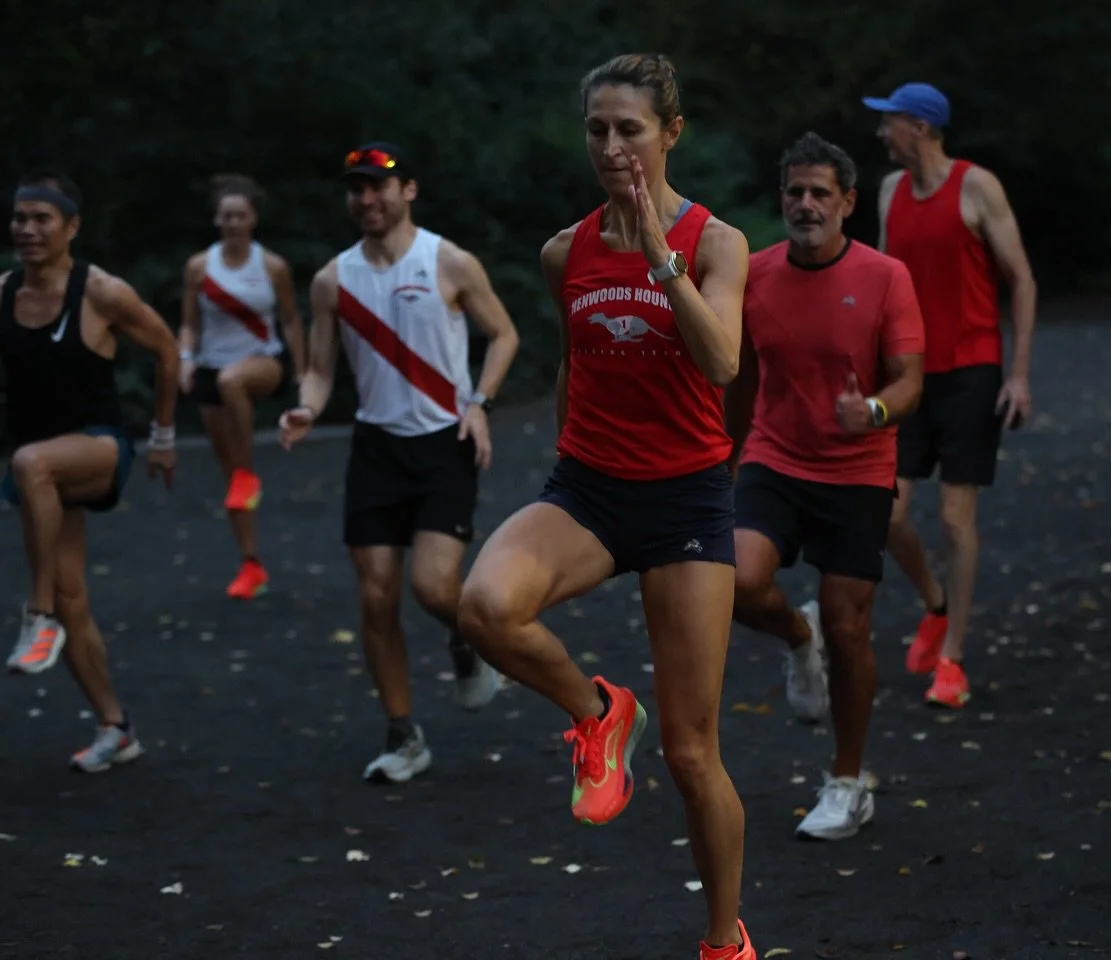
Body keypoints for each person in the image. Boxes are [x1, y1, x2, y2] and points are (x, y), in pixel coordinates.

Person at [455, 54, 757, 960]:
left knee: (692, 752)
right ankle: (595, 712)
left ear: (671, 133)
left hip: (687, 502)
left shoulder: (716, 244)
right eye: (597, 130)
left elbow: (723, 362)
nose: (612, 145)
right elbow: (573, 362)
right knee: (483, 607)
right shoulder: (564, 252)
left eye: (630, 128)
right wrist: (562, 456)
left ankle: (723, 939)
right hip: (588, 484)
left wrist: (660, 256)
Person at [278, 142, 519, 783]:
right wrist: (305, 408)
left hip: (444, 442)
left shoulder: (448, 261)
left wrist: (480, 403)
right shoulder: (333, 280)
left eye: (379, 187)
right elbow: (321, 370)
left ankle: (467, 637)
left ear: (408, 191)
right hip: (376, 449)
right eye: (356, 189)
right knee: (375, 596)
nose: (367, 199)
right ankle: (403, 735)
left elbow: (505, 334)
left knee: (435, 588)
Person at [725, 132, 924, 840]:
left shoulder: (885, 277)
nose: (805, 205)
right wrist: (724, 454)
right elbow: (741, 377)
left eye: (819, 193)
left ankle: (847, 780)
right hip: (775, 456)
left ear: (847, 202)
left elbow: (909, 381)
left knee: (850, 628)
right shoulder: (754, 273)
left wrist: (870, 411)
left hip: (856, 466)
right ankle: (793, 632)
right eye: (794, 193)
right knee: (737, 583)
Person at [862, 81, 1037, 709]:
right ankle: (934, 607)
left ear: (921, 127)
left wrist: (1017, 373)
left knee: (957, 520)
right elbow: (883, 283)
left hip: (971, 369)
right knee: (888, 512)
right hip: (909, 374)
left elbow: (1021, 280)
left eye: (891, 122)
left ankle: (954, 658)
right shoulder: (889, 192)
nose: (882, 133)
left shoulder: (976, 186)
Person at [0, 170, 180, 771]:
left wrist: (163, 435)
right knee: (77, 593)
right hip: (40, 469)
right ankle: (116, 726)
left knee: (32, 463)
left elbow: (167, 350)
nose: (27, 229)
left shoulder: (102, 292)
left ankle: (37, 614)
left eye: (41, 219)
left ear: (72, 228)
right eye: (20, 218)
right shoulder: (4, 294)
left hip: (100, 449)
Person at [179, 174, 307, 599]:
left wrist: (302, 372)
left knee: (236, 380)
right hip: (212, 371)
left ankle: (249, 471)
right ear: (217, 219)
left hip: (262, 363)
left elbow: (290, 319)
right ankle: (251, 564)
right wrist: (184, 360)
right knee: (229, 478)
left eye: (241, 215)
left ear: (253, 219)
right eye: (226, 216)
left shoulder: (271, 266)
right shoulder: (199, 267)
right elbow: (188, 324)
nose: (233, 222)